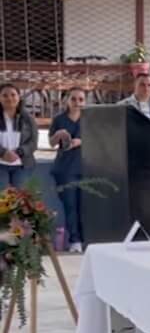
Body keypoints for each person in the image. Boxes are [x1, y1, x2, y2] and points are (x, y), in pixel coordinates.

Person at [49, 88, 88, 251]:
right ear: (67, 101)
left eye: (80, 99)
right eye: (73, 99)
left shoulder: (90, 118)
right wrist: (58, 135)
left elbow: (101, 138)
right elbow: (51, 142)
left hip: (87, 167)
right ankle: (75, 240)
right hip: (66, 168)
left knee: (85, 205)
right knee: (70, 205)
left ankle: (87, 238)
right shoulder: (59, 119)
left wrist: (82, 141)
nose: (77, 103)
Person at [0, 84, 33, 190]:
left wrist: (18, 152)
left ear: (19, 97)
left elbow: (33, 141)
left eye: (13, 95)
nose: (9, 98)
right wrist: (3, 153)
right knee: (2, 198)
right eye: (5, 95)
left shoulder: (28, 118)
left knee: (21, 200)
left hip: (22, 165)